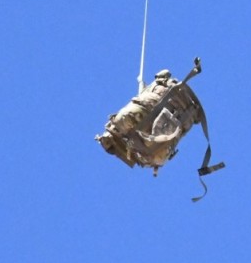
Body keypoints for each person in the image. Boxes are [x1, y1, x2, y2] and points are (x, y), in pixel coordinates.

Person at [96, 58, 225, 199]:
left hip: (148, 147)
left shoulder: (124, 125)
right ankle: (126, 140)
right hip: (151, 147)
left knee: (125, 121)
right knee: (127, 123)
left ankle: (125, 140)